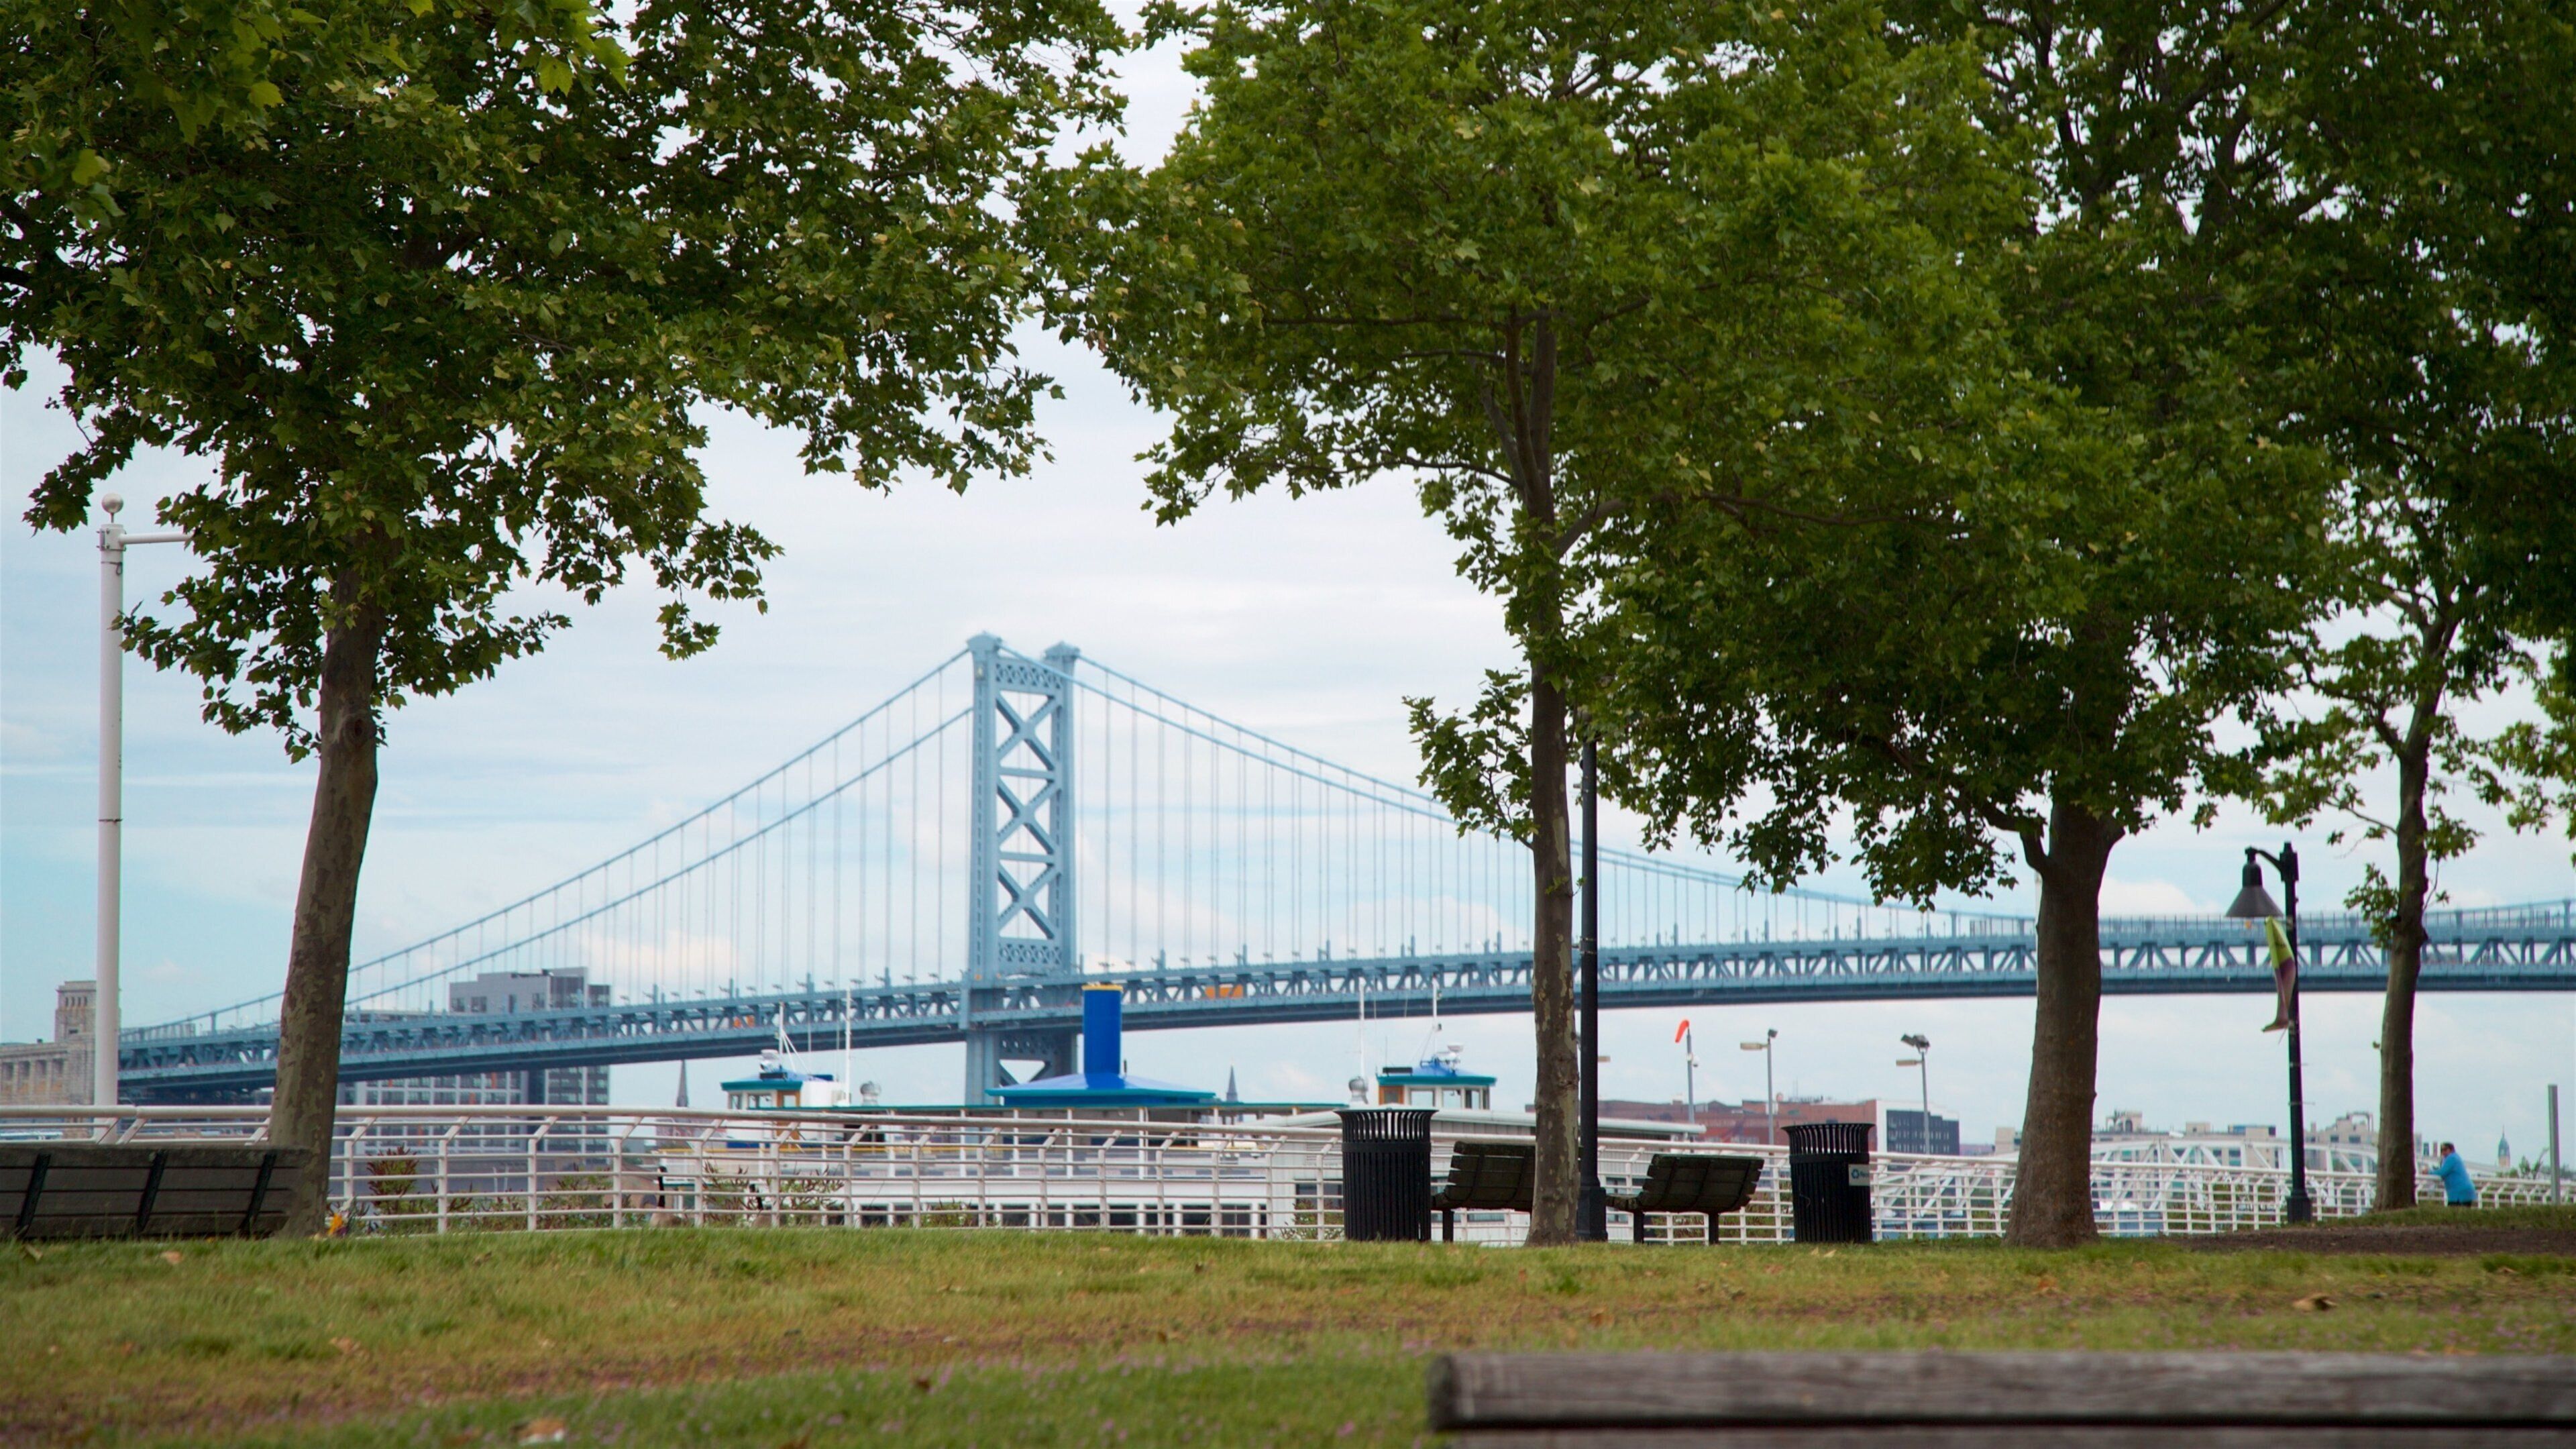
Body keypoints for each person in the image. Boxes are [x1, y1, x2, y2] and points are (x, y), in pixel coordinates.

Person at [2436, 1141, 2477, 1208]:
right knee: (2463, 1214)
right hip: (2464, 1191)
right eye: (2442, 1150)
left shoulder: (2451, 1158)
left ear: (2451, 1150)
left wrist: (2429, 1172)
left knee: (2453, 1213)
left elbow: (2442, 1172)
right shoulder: (2456, 1157)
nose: (2443, 1152)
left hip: (2459, 1192)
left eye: (2445, 1150)